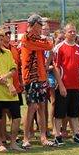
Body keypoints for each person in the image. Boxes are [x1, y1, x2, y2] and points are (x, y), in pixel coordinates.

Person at [0, 28, 23, 152]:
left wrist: (6, 78)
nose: (0, 42)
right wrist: (8, 83)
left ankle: (13, 143)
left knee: (17, 118)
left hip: (10, 91)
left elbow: (13, 68)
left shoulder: (7, 52)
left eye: (1, 39)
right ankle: (0, 144)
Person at [19, 14, 54, 147]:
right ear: (34, 25)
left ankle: (43, 137)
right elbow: (49, 45)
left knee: (41, 107)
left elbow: (48, 45)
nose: (41, 28)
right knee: (32, 107)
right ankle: (25, 138)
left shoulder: (37, 38)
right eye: (40, 25)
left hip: (41, 76)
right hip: (31, 77)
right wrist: (46, 40)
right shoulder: (27, 38)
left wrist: (45, 40)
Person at [50, 23, 79, 145]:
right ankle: (57, 136)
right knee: (60, 113)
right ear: (65, 33)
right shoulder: (59, 47)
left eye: (74, 31)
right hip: (63, 85)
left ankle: (76, 134)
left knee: (74, 112)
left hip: (75, 86)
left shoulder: (78, 48)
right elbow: (56, 67)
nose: (73, 33)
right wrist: (60, 85)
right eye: (70, 31)